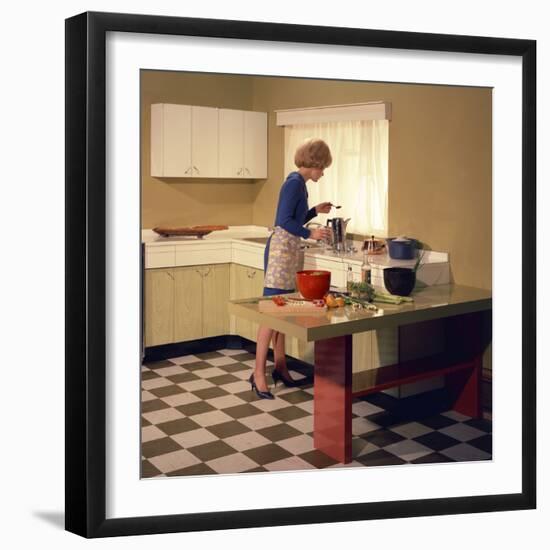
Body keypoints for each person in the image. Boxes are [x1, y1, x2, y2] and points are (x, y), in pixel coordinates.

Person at [250, 138, 334, 399]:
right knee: (270, 314)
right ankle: (258, 374)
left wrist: (312, 211)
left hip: (288, 252)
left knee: (281, 311)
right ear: (315, 162)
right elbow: (283, 221)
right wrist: (311, 233)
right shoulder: (293, 184)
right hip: (280, 254)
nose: (323, 172)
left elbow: (294, 217)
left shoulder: (300, 185)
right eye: (323, 167)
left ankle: (281, 366)